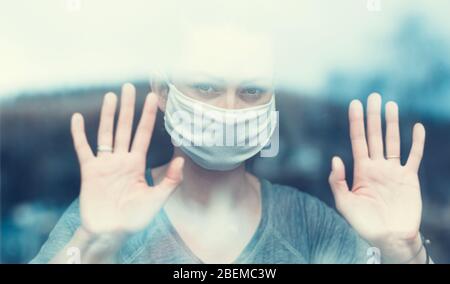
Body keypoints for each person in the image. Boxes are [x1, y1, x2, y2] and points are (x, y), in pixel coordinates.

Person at [31, 26, 430, 264]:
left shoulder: (309, 225)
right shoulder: (109, 216)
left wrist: (405, 252)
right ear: (162, 90)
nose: (227, 109)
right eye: (205, 86)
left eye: (252, 91)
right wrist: (93, 244)